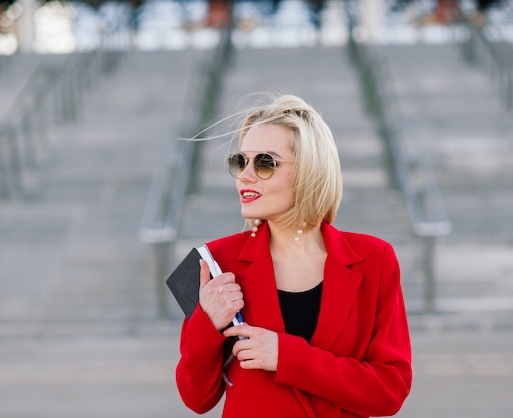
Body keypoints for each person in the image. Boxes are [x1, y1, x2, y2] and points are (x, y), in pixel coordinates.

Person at [175, 93, 412, 417]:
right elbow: (196, 398)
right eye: (239, 161)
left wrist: (287, 357)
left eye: (265, 163)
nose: (245, 175)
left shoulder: (376, 259)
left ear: (308, 171)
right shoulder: (210, 262)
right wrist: (207, 322)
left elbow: (390, 391)